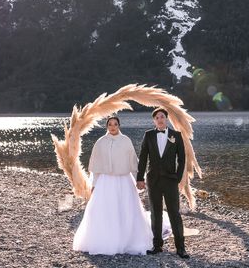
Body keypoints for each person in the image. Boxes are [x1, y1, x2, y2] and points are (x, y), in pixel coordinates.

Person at [72, 116, 152, 255]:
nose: (113, 127)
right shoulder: (100, 142)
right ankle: (106, 240)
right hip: (105, 181)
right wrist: (94, 184)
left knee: (125, 209)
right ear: (107, 126)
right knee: (105, 210)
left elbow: (133, 162)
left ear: (119, 126)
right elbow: (96, 166)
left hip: (124, 181)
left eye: (115, 124)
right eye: (110, 124)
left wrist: (139, 180)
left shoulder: (126, 140)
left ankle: (127, 240)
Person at [136, 108, 190, 259]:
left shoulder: (176, 135)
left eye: (162, 117)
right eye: (157, 117)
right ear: (154, 120)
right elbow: (143, 158)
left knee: (174, 213)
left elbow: (182, 159)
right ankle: (157, 245)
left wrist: (177, 178)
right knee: (155, 213)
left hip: (170, 180)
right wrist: (140, 178)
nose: (160, 119)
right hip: (153, 181)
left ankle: (181, 248)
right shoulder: (148, 135)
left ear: (166, 119)